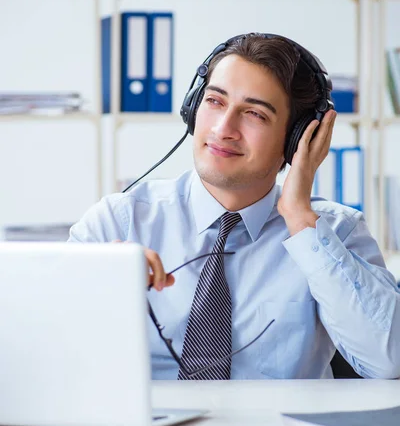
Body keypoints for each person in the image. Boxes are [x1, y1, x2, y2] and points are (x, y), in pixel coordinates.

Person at [68, 33, 400, 380]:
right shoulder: (117, 223)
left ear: (298, 137)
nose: (223, 129)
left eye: (254, 113)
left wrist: (301, 218)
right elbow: (46, 348)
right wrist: (103, 283)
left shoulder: (336, 233)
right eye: (214, 101)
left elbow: (387, 363)